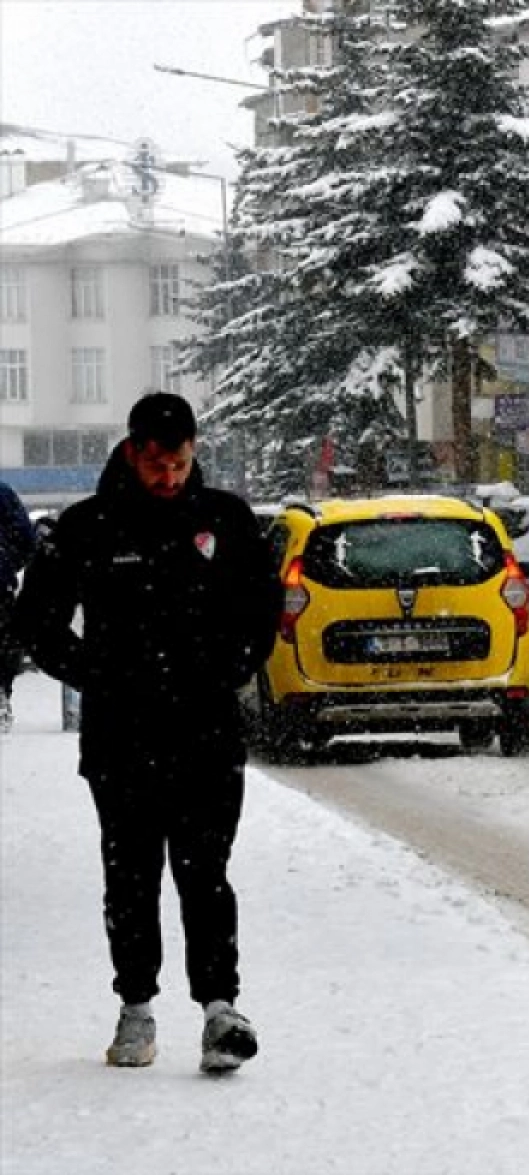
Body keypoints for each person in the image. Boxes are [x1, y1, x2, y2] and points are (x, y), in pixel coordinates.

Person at [15, 393, 280, 1073]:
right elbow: (36, 624)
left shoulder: (225, 519)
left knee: (206, 874)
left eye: (181, 462)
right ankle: (136, 1008)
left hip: (207, 734)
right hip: (122, 738)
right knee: (131, 876)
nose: (169, 477)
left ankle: (220, 1009)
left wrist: (234, 662)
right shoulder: (87, 527)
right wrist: (97, 673)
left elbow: (262, 605)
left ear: (195, 452)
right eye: (158, 464)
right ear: (133, 451)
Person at [0, 478, 37, 733]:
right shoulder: (3, 495)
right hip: (0, 585)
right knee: (4, 645)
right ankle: (1, 693)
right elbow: (26, 541)